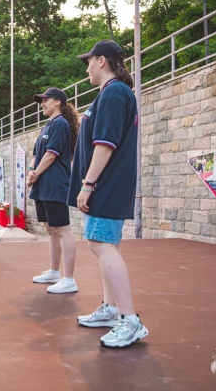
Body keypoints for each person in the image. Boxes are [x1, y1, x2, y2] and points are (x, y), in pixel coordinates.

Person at [68, 40, 148, 348]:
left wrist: (88, 184)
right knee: (105, 243)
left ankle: (129, 319)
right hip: (109, 182)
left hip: (107, 182)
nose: (87, 67)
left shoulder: (114, 93)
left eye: (89, 61)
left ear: (102, 61)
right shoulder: (113, 92)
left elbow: (105, 144)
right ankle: (112, 309)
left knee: (100, 243)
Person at [27, 87, 80, 294]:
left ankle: (69, 279)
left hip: (55, 184)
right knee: (50, 229)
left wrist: (35, 174)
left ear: (57, 102)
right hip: (43, 184)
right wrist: (31, 170)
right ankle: (54, 272)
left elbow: (51, 154)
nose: (42, 104)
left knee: (62, 230)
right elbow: (36, 155)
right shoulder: (47, 126)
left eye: (45, 100)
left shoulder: (60, 124)